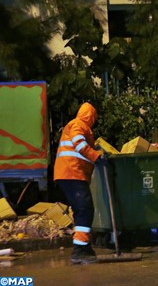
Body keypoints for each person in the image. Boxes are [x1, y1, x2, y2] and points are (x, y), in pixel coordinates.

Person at [54, 102, 105, 264]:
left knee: (82, 209)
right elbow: (79, 144)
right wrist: (97, 157)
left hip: (71, 173)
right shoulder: (77, 125)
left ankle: (83, 246)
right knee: (84, 208)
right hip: (71, 173)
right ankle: (80, 249)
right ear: (90, 116)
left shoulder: (80, 126)